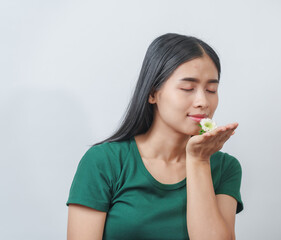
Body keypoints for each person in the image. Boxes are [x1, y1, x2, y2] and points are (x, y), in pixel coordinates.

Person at [66, 33, 244, 240]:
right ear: (152, 93)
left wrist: (199, 161)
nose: (203, 101)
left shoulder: (225, 168)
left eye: (211, 89)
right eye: (188, 88)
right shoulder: (104, 162)